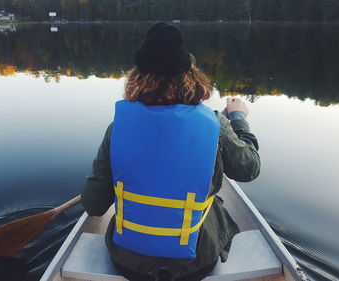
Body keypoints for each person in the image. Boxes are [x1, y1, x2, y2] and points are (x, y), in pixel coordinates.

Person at [81, 22, 260, 281]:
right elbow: (250, 169)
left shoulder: (118, 128)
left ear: (136, 78)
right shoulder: (215, 124)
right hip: (196, 264)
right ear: (190, 76)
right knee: (216, 204)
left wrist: (97, 181)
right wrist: (239, 119)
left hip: (129, 264)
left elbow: (94, 205)